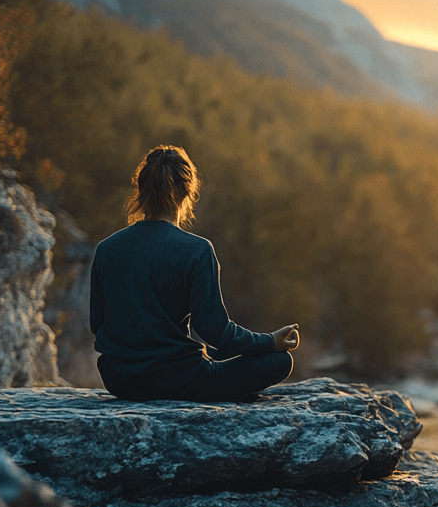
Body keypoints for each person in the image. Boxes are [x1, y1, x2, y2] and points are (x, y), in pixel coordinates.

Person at [89, 145, 299, 402]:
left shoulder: (106, 249)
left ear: (141, 190)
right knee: (279, 362)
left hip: (119, 381)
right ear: (188, 191)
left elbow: (97, 324)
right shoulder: (197, 250)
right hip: (182, 381)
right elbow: (215, 331)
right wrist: (269, 342)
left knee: (207, 352)